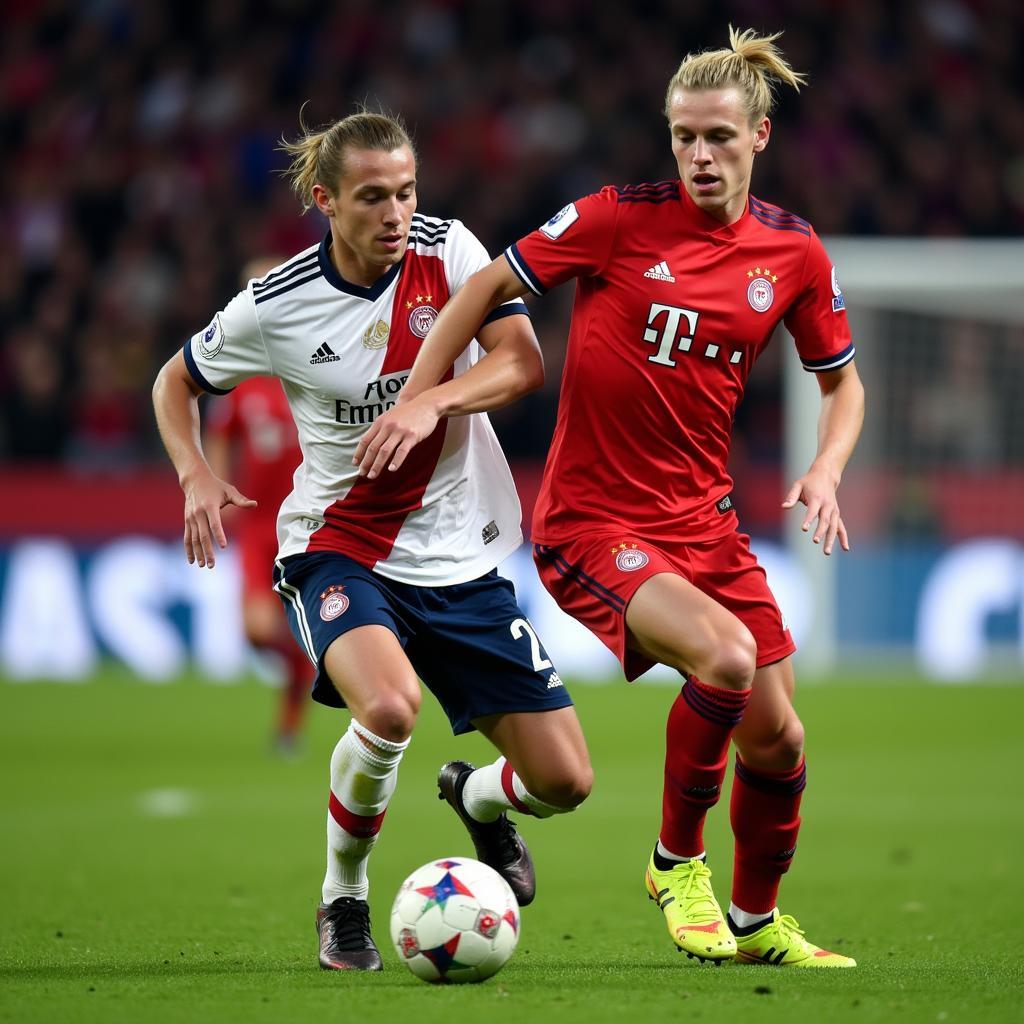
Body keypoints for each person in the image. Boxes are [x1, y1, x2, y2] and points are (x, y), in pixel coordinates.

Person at [355, 28, 865, 968]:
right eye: (682, 138)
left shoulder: (792, 253)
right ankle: (675, 864)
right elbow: (484, 288)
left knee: (780, 738)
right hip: (593, 520)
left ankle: (756, 926)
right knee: (725, 658)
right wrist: (425, 393)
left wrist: (828, 464)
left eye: (717, 137)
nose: (698, 157)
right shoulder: (615, 220)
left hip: (705, 521)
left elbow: (842, 382)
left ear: (760, 135)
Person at [152, 110, 593, 972]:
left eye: (406, 191)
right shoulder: (276, 305)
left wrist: (430, 400)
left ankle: (476, 796)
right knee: (389, 710)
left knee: (564, 783)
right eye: (371, 197)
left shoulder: (452, 251)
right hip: (339, 544)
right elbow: (176, 381)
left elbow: (522, 361)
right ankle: (343, 899)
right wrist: (195, 474)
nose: (396, 214)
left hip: (460, 555)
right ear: (325, 201)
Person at [204, 312, 311, 750]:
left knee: (305, 624)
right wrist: (217, 484)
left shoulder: (312, 375)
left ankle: (288, 726)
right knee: (256, 632)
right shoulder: (242, 385)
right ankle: (305, 666)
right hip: (255, 523)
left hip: (306, 523)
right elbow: (218, 436)